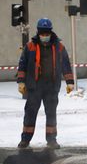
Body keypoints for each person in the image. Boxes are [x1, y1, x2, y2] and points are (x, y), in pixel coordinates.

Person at [17, 18, 74, 149]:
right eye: (42, 34)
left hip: (51, 87)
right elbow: (22, 64)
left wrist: (69, 82)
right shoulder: (30, 46)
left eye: (47, 33)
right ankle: (25, 139)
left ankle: (51, 140)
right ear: (38, 33)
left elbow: (65, 64)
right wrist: (21, 81)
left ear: (50, 32)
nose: (44, 36)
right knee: (30, 113)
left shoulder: (59, 47)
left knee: (51, 114)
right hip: (34, 86)